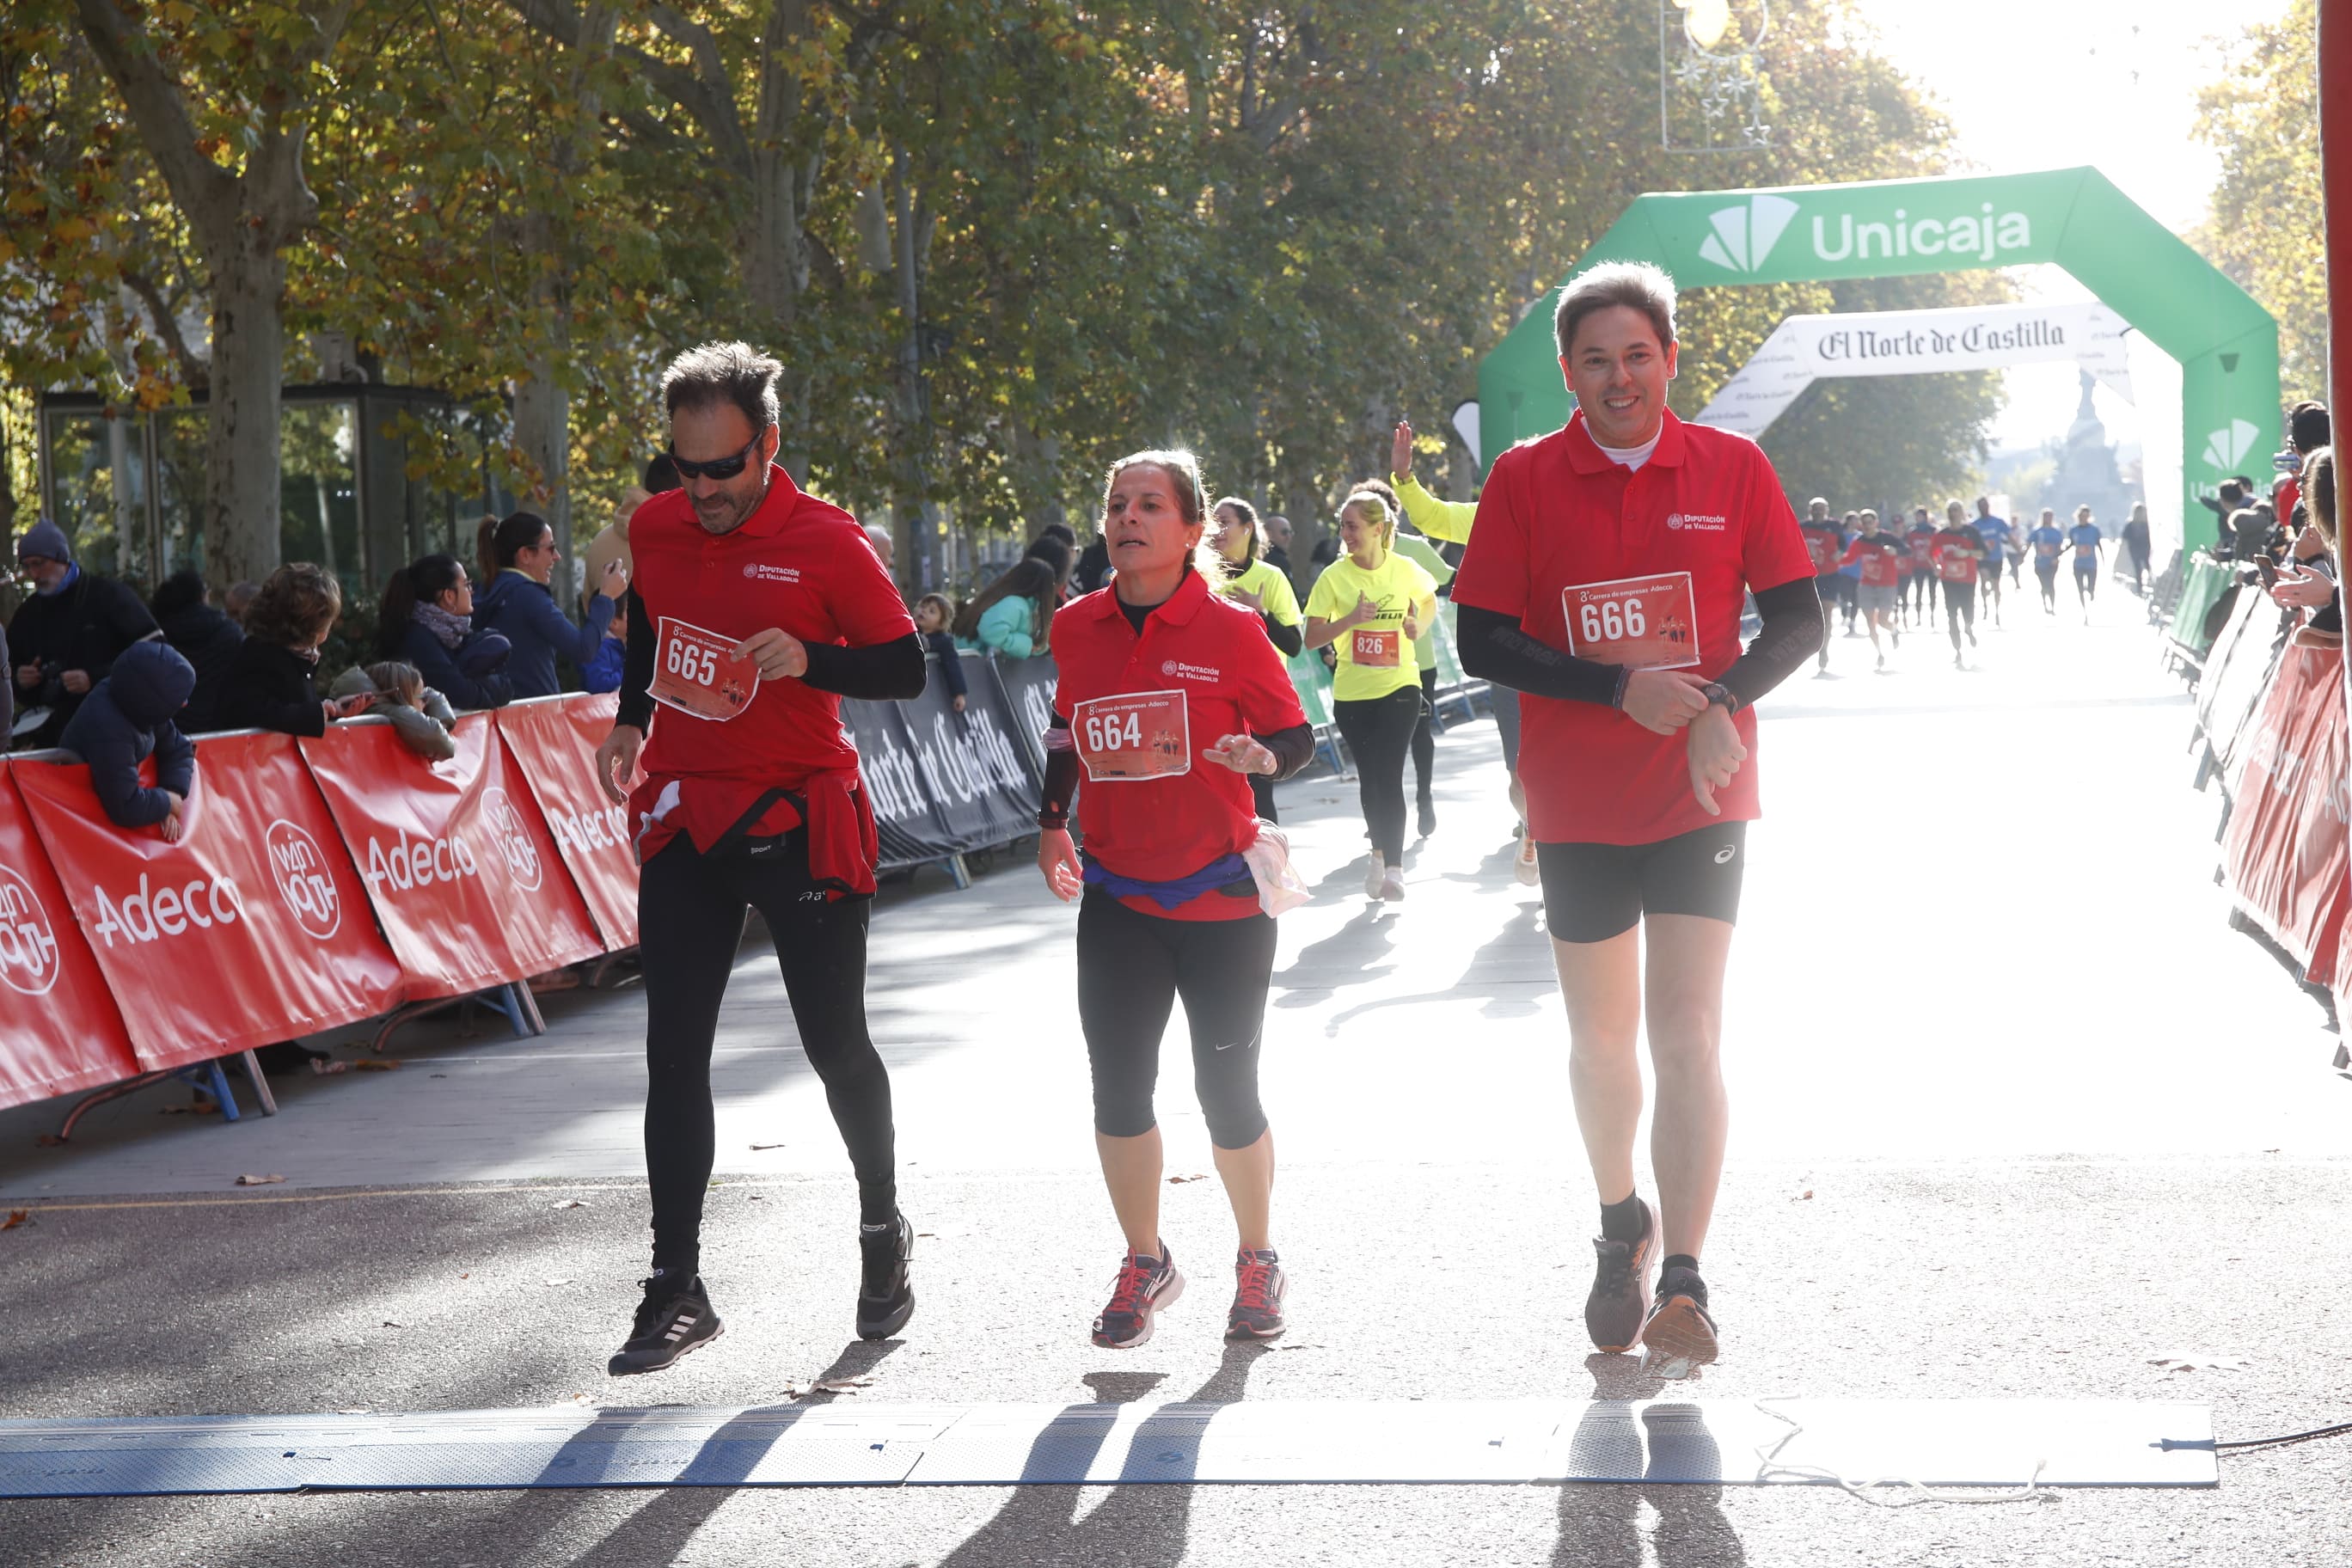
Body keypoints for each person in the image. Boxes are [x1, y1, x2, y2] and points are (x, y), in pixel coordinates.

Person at [1450, 260, 1821, 1379]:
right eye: (1597, 360)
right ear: (1569, 372)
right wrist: (1623, 688)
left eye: (1639, 355)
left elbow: (1800, 622)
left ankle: (1688, 1277)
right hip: (1578, 803)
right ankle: (1622, 1216)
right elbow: (1482, 644)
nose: (1621, 377)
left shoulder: (1732, 467)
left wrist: (1719, 702)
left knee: (1689, 1033)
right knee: (1603, 1040)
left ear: (1670, 359)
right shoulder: (1524, 479)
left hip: (1702, 793)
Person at [590, 340, 926, 1374]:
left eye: (724, 469)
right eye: (686, 470)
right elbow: (649, 622)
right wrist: (630, 720)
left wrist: (811, 657)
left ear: (767, 446)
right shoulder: (655, 526)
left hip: (801, 819)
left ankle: (882, 1227)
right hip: (689, 823)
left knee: (836, 1047)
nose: (704, 492)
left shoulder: (828, 544)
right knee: (672, 1054)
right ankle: (676, 1286)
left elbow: (906, 667)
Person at [1033, 449, 1315, 1348]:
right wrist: (1051, 823)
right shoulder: (1075, 627)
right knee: (1118, 1089)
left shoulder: (1233, 632)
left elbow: (1295, 736)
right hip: (1118, 895)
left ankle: (1258, 1256)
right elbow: (1066, 731)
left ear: (1192, 531)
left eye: (1150, 505)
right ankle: (1144, 1258)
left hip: (1223, 896)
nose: (1127, 518)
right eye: (1116, 503)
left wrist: (1263, 761)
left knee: (1225, 1089)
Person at [1304, 489, 1438, 902]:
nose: (1345, 534)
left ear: (1379, 529)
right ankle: (1378, 854)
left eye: (1353, 526)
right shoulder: (1334, 576)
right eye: (1343, 526)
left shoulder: (1404, 569)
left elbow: (1428, 599)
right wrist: (1350, 619)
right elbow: (1311, 638)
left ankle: (1395, 871)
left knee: (1389, 774)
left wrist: (1419, 626)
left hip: (1400, 687)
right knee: (1370, 779)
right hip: (1353, 694)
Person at [9, 518, 160, 750]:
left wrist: (96, 677)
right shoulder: (27, 614)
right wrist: (20, 680)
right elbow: (9, 667)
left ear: (61, 559)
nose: (33, 574)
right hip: (51, 735)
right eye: (27, 566)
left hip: (113, 731)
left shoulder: (109, 596)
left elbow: (156, 652)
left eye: (39, 564)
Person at [1209, 498, 1303, 824]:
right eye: (1212, 521)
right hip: (1212, 700)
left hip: (1258, 704)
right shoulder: (1199, 577)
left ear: (1247, 528)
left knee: (1259, 794)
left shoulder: (1271, 577)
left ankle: (1270, 868)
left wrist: (1258, 612)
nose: (1216, 529)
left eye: (1224, 522)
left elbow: (1293, 645)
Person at [473, 511, 630, 699]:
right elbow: (583, 649)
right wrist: (606, 597)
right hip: (530, 719)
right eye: (550, 548)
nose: (557, 556)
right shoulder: (528, 596)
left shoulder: (489, 590)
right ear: (525, 555)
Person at [57, 640, 196, 838]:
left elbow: (178, 748)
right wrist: (166, 802)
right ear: (156, 700)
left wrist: (171, 793)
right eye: (179, 699)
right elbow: (124, 805)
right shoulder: (109, 726)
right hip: (78, 825)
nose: (184, 704)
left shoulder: (141, 706)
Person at [216, 564, 373, 736]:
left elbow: (291, 707)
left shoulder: (297, 656)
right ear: (313, 622)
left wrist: (333, 709)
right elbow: (255, 712)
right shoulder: (262, 657)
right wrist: (315, 714)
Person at [377, 554, 513, 710]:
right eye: (466, 584)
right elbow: (461, 694)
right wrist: (492, 686)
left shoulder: (454, 632)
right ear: (449, 596)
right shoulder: (417, 640)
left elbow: (506, 683)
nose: (471, 590)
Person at [149, 569, 245, 733]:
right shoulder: (229, 633)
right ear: (201, 597)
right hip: (220, 733)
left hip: (169, 733)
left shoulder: (156, 634)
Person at [329, 661, 458, 761]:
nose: (425, 704)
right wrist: (443, 726)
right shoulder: (390, 712)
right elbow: (439, 740)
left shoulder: (381, 706)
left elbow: (429, 695)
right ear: (401, 699)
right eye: (421, 698)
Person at [952, 555, 1058, 658]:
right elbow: (991, 631)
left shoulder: (1006, 597)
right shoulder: (1014, 604)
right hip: (975, 667)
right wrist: (1027, 646)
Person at [1835, 510, 1902, 671]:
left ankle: (1893, 630)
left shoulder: (1887, 538)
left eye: (1870, 522)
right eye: (1864, 523)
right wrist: (1837, 558)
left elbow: (1907, 550)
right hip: (1866, 585)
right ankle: (1879, 653)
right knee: (1871, 623)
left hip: (1887, 585)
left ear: (1876, 523)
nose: (1867, 526)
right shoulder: (1859, 541)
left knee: (1883, 621)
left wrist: (1896, 551)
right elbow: (1849, 558)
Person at [1932, 500, 1987, 669]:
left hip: (1968, 580)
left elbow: (1983, 554)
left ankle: (1969, 628)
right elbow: (1932, 553)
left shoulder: (1971, 532)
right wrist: (1936, 567)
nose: (1953, 513)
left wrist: (1968, 553)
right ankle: (1958, 650)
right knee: (1951, 615)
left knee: (1967, 613)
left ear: (1962, 512)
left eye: (1956, 510)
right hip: (1949, 580)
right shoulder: (1942, 534)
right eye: (1950, 510)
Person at [1798, 499, 1842, 673]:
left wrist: (1839, 553)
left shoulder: (1835, 526)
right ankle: (1810, 646)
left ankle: (1824, 649)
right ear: (1810, 510)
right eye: (1815, 509)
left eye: (1822, 509)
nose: (1818, 512)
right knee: (1809, 615)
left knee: (1827, 613)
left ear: (1827, 510)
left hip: (1830, 575)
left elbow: (1844, 545)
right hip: (1808, 576)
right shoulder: (1802, 526)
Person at [912, 592, 968, 714]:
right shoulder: (907, 630)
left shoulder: (943, 641)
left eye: (932, 611)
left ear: (941, 623)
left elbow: (952, 664)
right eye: (922, 606)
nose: (924, 611)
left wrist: (959, 693)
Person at [1970, 498, 2012, 628]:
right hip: (1983, 558)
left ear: (1989, 506)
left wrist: (2019, 549)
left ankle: (1997, 610)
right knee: (1983, 577)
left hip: (1996, 558)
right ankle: (1985, 606)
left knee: (1996, 585)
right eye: (1981, 506)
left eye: (1985, 505)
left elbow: (2009, 536)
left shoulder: (1998, 522)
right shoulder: (1975, 525)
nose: (1983, 508)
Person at [583, 597, 629, 695]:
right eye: (630, 611)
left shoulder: (621, 644)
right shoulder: (598, 649)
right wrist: (633, 669)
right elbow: (599, 685)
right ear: (613, 622)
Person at [1902, 505, 1939, 627]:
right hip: (1918, 565)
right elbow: (1908, 548)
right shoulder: (1912, 532)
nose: (1918, 518)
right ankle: (1918, 617)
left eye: (1920, 516)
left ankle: (1933, 615)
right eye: (1916, 516)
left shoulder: (1933, 531)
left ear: (1925, 517)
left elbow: (1938, 548)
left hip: (1931, 564)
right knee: (1918, 590)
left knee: (1932, 591)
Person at [2067, 506, 2105, 620]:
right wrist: (2060, 552)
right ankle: (2084, 611)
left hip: (2091, 563)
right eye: (2081, 516)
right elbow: (2071, 543)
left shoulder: (2094, 530)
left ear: (2089, 517)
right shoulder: (2073, 530)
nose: (2083, 518)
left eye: (2085, 516)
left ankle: (2091, 592)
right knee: (2080, 588)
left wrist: (2103, 558)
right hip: (2078, 563)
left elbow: (2098, 544)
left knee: (2090, 587)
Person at [2026, 508, 2066, 615]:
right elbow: (2029, 543)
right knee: (2044, 585)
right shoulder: (2037, 531)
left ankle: (2052, 606)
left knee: (2051, 583)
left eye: (2050, 517)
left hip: (2052, 563)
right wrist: (2022, 555)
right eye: (2046, 516)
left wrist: (2056, 557)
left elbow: (2059, 547)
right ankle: (2045, 604)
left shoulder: (2056, 532)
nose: (2048, 519)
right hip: (2040, 562)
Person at [2119, 502, 2153, 593]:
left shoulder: (2144, 524)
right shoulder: (2132, 524)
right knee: (2140, 568)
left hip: (2142, 549)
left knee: (2144, 566)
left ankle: (2147, 584)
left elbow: (2125, 536)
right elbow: (2125, 536)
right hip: (2137, 549)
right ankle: (2141, 587)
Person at [1261, 512, 1295, 578]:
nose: (1289, 537)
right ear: (1269, 534)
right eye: (1284, 532)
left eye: (1290, 532)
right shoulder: (1278, 561)